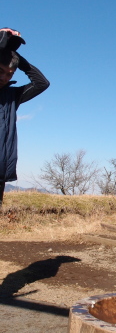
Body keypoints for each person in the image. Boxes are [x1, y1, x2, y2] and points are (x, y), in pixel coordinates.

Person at [0, 28, 50, 205]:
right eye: (1, 71)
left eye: (9, 74)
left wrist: (17, 59)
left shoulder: (12, 97)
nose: (4, 77)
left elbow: (42, 83)